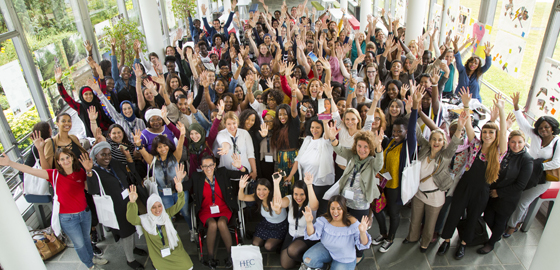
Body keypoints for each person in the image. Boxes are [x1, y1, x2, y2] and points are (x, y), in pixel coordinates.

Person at [0, 147, 108, 270]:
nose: (66, 161)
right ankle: (90, 265)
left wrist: (89, 171)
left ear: (72, 158)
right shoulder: (54, 174)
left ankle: (92, 258)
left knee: (87, 239)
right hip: (68, 218)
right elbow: (29, 170)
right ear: (58, 162)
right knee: (79, 244)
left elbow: (89, 189)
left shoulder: (80, 172)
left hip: (84, 213)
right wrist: (9, 163)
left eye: (68, 157)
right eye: (62, 159)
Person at [438, 90, 508, 260]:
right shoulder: (475, 144)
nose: (487, 135)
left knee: (473, 218)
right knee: (454, 212)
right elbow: (468, 125)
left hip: (481, 191)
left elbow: (504, 132)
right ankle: (446, 240)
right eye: (485, 132)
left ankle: (463, 244)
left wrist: (501, 111)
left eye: (491, 133)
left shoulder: (499, 152)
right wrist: (467, 105)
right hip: (465, 185)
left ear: (496, 135)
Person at [403, 112, 466, 252]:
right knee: (414, 220)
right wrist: (410, 112)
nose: (436, 142)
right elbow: (416, 131)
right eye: (434, 139)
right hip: (419, 193)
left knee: (429, 224)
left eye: (440, 140)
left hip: (435, 197)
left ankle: (425, 244)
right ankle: (412, 238)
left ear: (444, 142)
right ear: (430, 140)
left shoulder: (445, 156)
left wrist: (460, 127)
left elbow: (454, 144)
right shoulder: (425, 148)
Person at [373, 84, 423, 253]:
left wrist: (414, 106)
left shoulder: (408, 146)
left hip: (396, 187)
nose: (395, 134)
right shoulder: (392, 142)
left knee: (394, 214)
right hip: (384, 183)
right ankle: (383, 233)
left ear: (406, 132)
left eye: (399, 131)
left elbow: (412, 127)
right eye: (394, 131)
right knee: (380, 209)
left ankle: (391, 238)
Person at [504, 92, 560, 237]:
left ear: (553, 128)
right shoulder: (536, 136)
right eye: (541, 128)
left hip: (543, 179)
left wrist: (537, 166)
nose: (543, 130)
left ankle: (512, 226)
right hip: (527, 173)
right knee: (516, 196)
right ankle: (515, 219)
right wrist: (516, 106)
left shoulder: (557, 142)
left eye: (547, 127)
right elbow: (523, 123)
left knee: (523, 201)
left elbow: (557, 162)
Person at [87, 142, 148, 270]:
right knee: (126, 232)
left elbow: (130, 171)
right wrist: (89, 172)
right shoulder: (94, 171)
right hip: (115, 207)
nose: (107, 157)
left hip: (128, 201)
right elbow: (92, 191)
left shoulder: (113, 163)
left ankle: (133, 248)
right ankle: (130, 260)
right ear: (95, 156)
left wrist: (128, 157)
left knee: (132, 227)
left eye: (109, 154)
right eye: (102, 155)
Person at [187, 154, 249, 268]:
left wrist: (240, 167)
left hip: (223, 208)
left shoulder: (223, 173)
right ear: (201, 167)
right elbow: (184, 186)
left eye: (211, 165)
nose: (208, 168)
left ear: (215, 165)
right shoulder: (197, 177)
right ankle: (210, 258)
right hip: (206, 210)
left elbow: (245, 175)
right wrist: (178, 185)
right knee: (212, 225)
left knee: (221, 223)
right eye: (205, 166)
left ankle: (231, 256)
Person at [126, 170, 194, 270]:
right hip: (159, 255)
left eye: (159, 206)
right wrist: (132, 202)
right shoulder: (145, 220)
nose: (157, 210)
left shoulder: (166, 214)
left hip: (174, 250)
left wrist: (180, 191)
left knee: (189, 267)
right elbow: (131, 219)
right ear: (149, 208)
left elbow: (179, 205)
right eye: (153, 207)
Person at [480, 130, 533, 254]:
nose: (516, 145)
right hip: (492, 192)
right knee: (488, 216)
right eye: (513, 142)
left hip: (508, 197)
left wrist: (499, 192)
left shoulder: (527, 160)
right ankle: (497, 234)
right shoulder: (505, 152)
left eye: (520, 142)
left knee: (500, 221)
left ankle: (491, 243)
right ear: (508, 141)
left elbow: (521, 185)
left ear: (524, 142)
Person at [301, 195, 372, 270]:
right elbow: (312, 235)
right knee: (307, 259)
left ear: (344, 209)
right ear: (329, 209)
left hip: (344, 258)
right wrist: (309, 222)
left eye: (339, 209)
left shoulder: (353, 222)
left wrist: (362, 232)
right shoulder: (324, 219)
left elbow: (364, 244)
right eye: (332, 208)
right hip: (327, 249)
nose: (335, 212)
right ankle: (324, 267)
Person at [274, 173, 319, 269]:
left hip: (306, 237)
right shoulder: (290, 199)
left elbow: (315, 206)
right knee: (286, 265)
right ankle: (302, 258)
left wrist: (309, 185)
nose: (298, 197)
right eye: (296, 194)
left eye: (302, 194)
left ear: (306, 194)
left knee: (292, 250)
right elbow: (279, 203)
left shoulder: (310, 201)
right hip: (291, 235)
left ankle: (310, 262)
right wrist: (276, 183)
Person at [290, 119, 334, 215]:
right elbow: (298, 159)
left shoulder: (326, 141)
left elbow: (327, 136)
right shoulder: (307, 140)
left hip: (321, 183)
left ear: (323, 129)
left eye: (318, 127)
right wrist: (290, 176)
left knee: (321, 210)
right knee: (309, 207)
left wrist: (325, 122)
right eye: (312, 127)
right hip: (307, 182)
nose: (314, 130)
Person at [55, 67, 113, 137]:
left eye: (90, 93)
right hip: (94, 136)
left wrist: (101, 76)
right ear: (82, 96)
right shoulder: (80, 107)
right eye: (86, 94)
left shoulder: (96, 101)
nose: (89, 96)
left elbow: (102, 92)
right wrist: (59, 82)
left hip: (108, 130)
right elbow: (66, 98)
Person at [238, 176, 288, 253]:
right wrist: (241, 187)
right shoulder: (258, 197)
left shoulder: (275, 199)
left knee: (268, 246)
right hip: (266, 224)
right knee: (255, 243)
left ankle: (280, 242)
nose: (261, 193)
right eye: (259, 189)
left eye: (265, 189)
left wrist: (277, 208)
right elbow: (242, 197)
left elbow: (278, 212)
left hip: (280, 226)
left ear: (269, 191)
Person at [452, 36, 493, 102]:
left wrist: (488, 55)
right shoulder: (462, 70)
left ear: (478, 65)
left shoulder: (478, 73)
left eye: (476, 63)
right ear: (468, 63)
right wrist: (456, 46)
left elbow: (487, 65)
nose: (473, 64)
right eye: (471, 62)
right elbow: (458, 59)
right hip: (459, 100)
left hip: (474, 101)